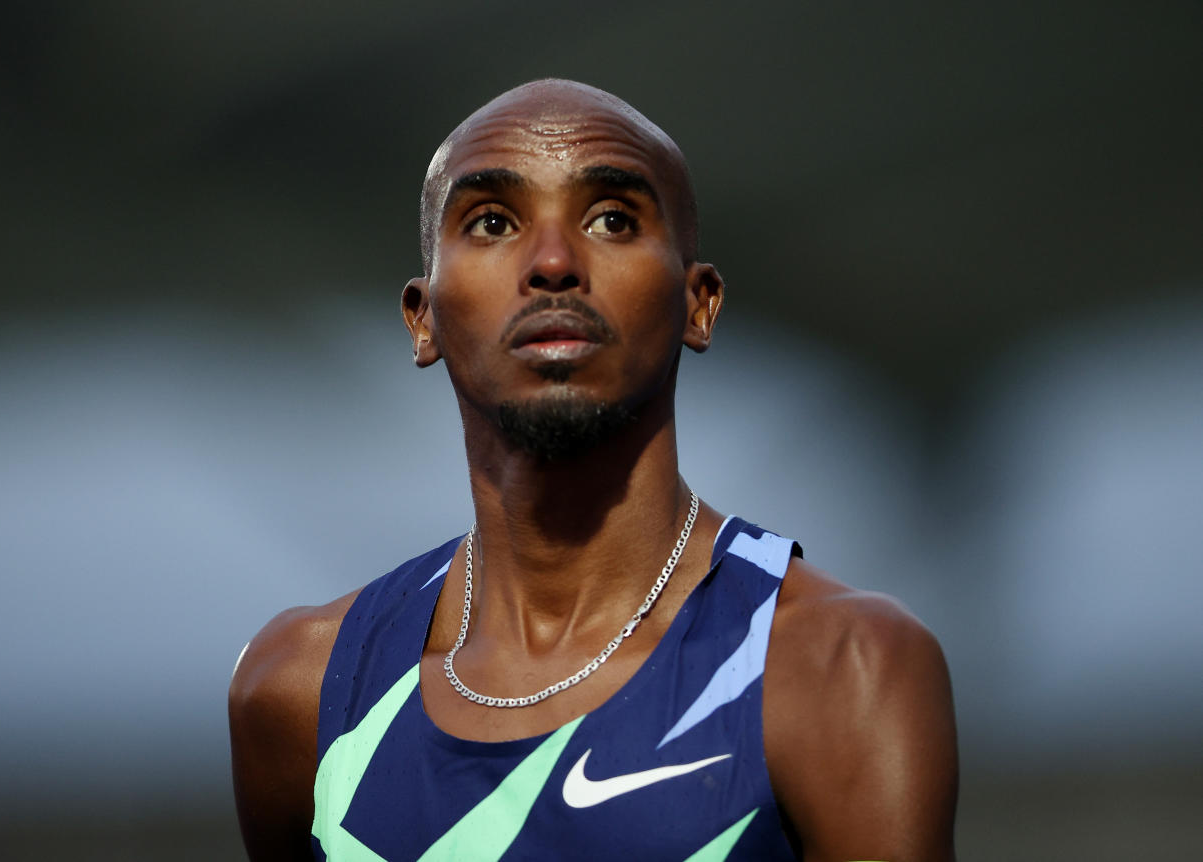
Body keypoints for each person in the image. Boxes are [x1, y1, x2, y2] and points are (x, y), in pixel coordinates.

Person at [229, 79, 958, 862]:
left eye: (613, 219)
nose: (551, 263)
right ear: (423, 317)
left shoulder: (840, 668)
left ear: (699, 303)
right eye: (492, 222)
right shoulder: (298, 691)